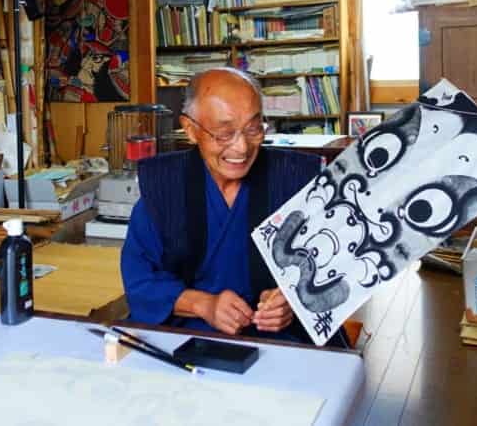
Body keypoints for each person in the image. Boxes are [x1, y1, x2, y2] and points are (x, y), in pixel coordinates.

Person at [120, 67, 332, 344]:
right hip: (184, 336)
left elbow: (333, 266)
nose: (242, 147)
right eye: (224, 133)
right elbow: (139, 279)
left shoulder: (296, 180)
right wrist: (202, 304)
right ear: (191, 130)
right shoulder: (164, 187)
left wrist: (292, 299)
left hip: (277, 341)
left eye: (253, 129)